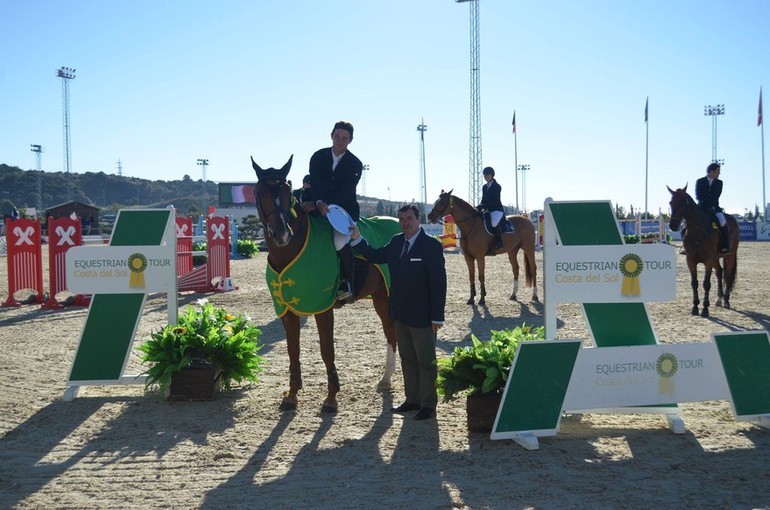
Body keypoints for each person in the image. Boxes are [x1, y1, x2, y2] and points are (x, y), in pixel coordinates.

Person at [350, 204, 447, 421]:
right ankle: (412, 399)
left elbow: (439, 283)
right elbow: (375, 255)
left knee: (426, 361)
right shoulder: (395, 242)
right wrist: (357, 238)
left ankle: (428, 405)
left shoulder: (431, 246)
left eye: (409, 218)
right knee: (407, 359)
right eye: (402, 219)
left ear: (418, 220)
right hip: (400, 314)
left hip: (423, 316)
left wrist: (437, 316)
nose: (405, 223)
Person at [309, 121, 363, 303]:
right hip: (318, 204)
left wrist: (328, 206)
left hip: (343, 209)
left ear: (350, 141)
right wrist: (318, 202)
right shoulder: (317, 156)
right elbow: (315, 182)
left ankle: (348, 285)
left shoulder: (355, 163)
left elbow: (345, 191)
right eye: (337, 136)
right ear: (332, 135)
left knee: (340, 241)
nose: (340, 140)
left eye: (344, 138)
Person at [695, 162, 729, 253]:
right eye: (718, 171)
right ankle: (686, 246)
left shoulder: (719, 183)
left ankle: (725, 245)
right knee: (685, 224)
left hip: (714, 207)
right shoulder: (700, 181)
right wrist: (705, 204)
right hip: (701, 207)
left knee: (722, 222)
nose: (719, 173)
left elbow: (716, 196)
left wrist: (711, 207)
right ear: (711, 172)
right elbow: (698, 196)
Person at [477, 166, 504, 249]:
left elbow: (495, 200)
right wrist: (479, 207)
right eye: (485, 175)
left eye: (488, 175)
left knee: (494, 223)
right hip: (487, 210)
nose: (486, 177)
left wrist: (484, 206)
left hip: (496, 210)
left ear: (492, 175)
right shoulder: (484, 187)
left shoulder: (497, 186)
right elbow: (483, 199)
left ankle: (499, 241)